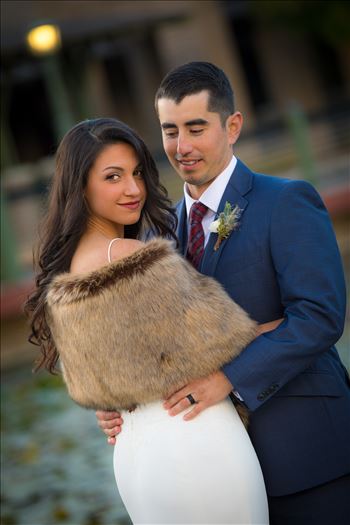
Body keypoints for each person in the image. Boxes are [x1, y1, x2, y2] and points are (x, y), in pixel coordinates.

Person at [96, 62, 350, 525]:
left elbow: (320, 316)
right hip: (214, 471)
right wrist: (121, 402)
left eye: (196, 127)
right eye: (170, 130)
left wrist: (228, 376)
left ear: (232, 126)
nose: (182, 146)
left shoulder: (287, 200)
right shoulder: (155, 237)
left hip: (309, 453)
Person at [25, 117, 279, 524]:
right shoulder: (132, 256)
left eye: (137, 172)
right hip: (194, 440)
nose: (134, 189)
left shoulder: (64, 278)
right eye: (113, 177)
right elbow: (233, 342)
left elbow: (107, 381)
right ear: (81, 187)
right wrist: (287, 320)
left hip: (135, 455)